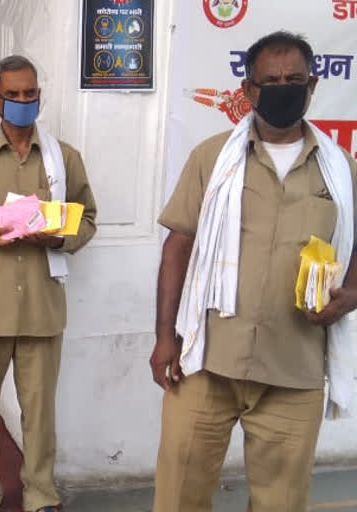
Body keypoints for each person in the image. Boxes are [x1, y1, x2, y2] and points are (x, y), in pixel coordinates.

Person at [151, 31, 357, 512]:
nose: (284, 88)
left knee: (281, 504)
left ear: (312, 85)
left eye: (295, 80)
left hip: (294, 368)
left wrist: (352, 293)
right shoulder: (211, 157)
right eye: (272, 80)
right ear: (248, 90)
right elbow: (177, 244)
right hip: (206, 361)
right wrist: (165, 337)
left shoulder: (341, 168)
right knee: (178, 496)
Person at [0, 55, 97, 512]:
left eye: (31, 94)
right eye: (14, 95)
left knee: (39, 410)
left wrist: (60, 235)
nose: (24, 102)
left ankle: (41, 494)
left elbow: (88, 219)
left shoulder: (63, 159)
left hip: (42, 306)